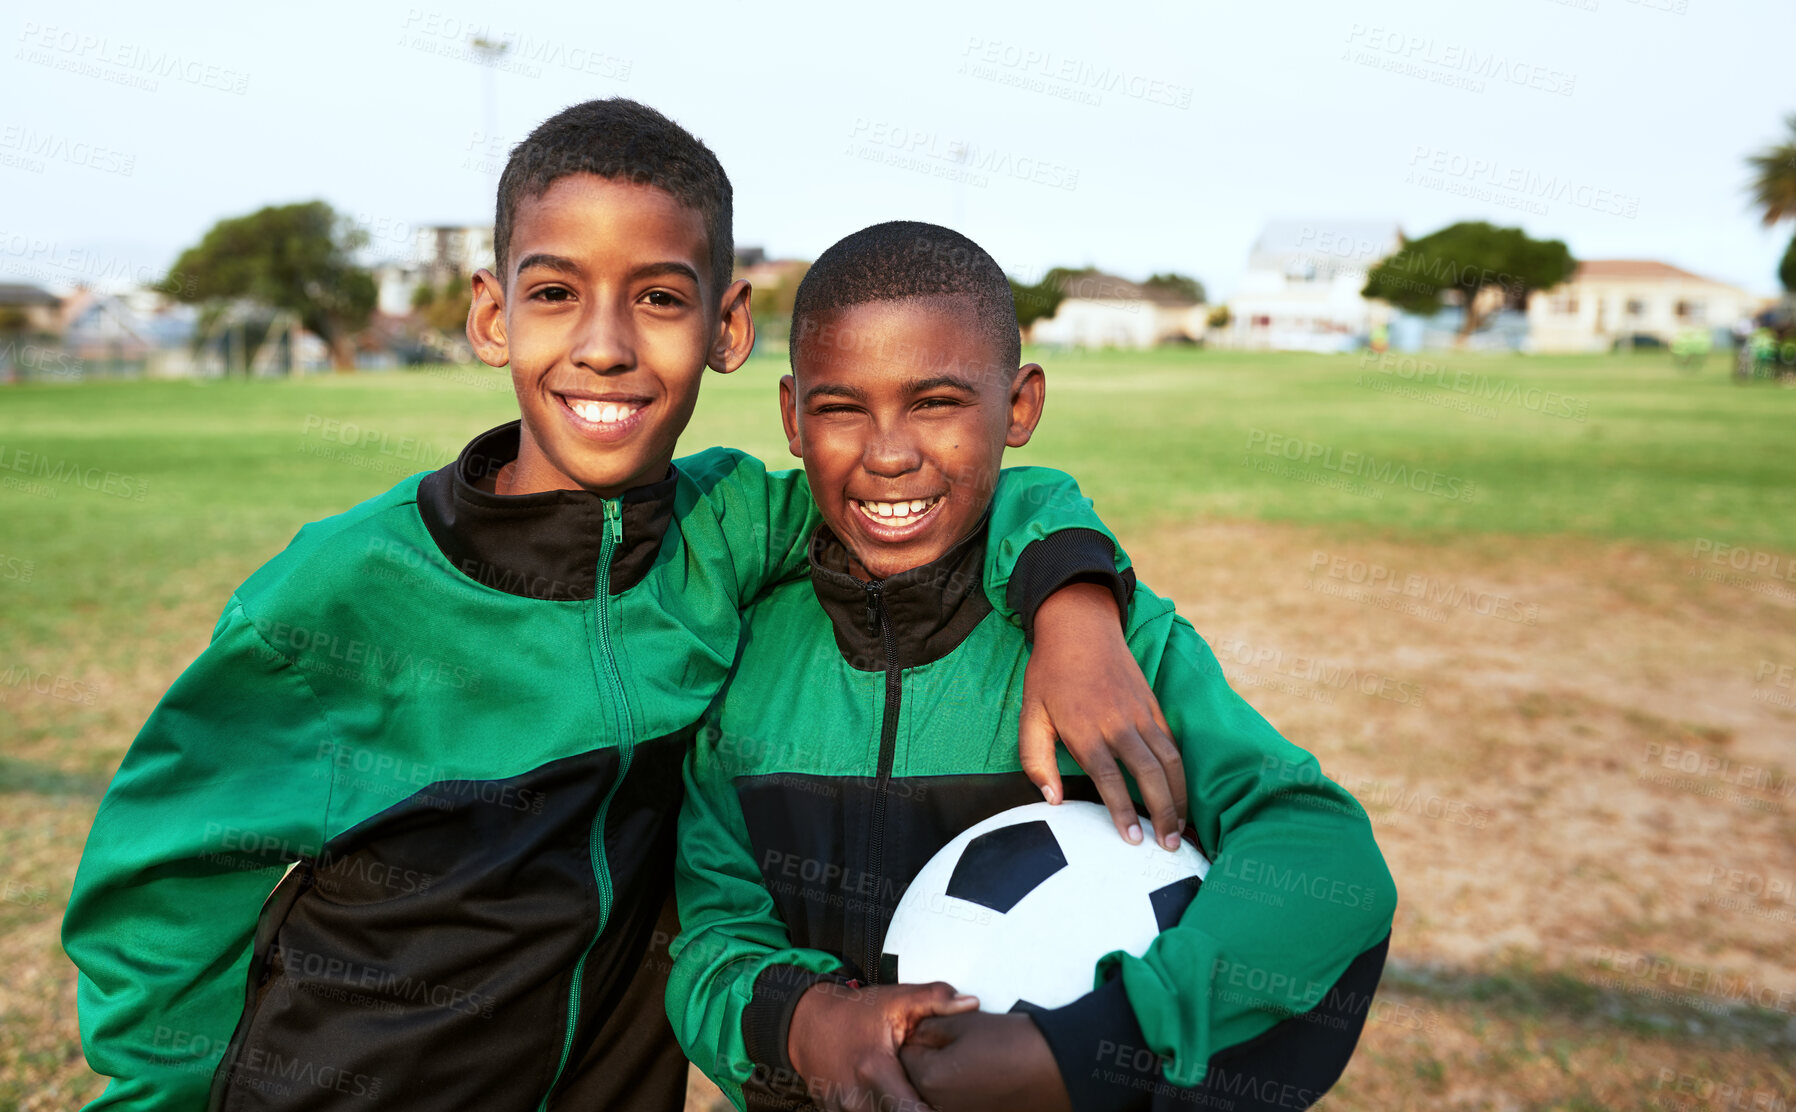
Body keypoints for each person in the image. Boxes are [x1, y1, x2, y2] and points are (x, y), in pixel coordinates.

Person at [61, 102, 1186, 1112]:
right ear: (493, 315)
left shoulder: (733, 525)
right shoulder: (340, 592)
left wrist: (1073, 606)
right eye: (555, 294)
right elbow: (157, 880)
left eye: (656, 297)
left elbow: (955, 487)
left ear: (727, 327)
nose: (603, 344)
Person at [668, 222, 1398, 1112]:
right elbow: (712, 942)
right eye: (841, 407)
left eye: (936, 402)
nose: (889, 452)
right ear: (790, 416)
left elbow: (1321, 853)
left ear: (1018, 407)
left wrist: (1095, 1044)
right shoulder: (748, 657)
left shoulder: (1112, 650)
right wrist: (808, 1024)